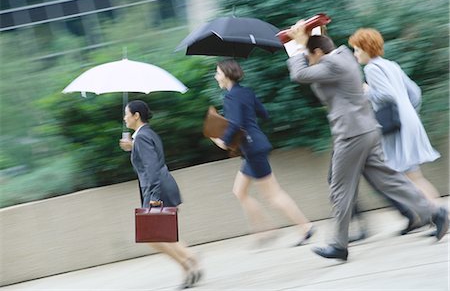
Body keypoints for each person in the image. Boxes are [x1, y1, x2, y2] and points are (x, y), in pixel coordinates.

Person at [285, 21, 448, 261]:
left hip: (351, 134)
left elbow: (299, 74)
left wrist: (299, 46)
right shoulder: (341, 58)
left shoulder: (333, 64)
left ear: (318, 53)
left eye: (311, 55)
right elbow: (316, 66)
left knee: (340, 188)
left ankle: (338, 244)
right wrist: (308, 37)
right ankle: (436, 213)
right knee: (390, 180)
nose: (309, 60)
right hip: (366, 130)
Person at [210, 59, 314, 247]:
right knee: (239, 191)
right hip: (255, 145)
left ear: (226, 75)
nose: (215, 76)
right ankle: (266, 229)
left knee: (273, 194)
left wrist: (223, 141)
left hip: (252, 148)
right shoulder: (246, 92)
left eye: (217, 72)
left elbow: (236, 124)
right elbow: (264, 114)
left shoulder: (231, 97)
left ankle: (305, 226)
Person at [348, 28, 443, 235]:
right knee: (414, 176)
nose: (355, 54)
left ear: (366, 48)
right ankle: (438, 217)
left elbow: (386, 95)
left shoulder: (372, 69)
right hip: (409, 121)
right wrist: (409, 112)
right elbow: (415, 92)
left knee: (409, 176)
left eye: (356, 50)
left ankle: (439, 216)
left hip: (397, 126)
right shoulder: (391, 64)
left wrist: (366, 92)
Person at [119, 100, 202, 289]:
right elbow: (151, 159)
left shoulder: (142, 137)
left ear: (136, 115)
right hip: (161, 186)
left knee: (154, 236)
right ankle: (188, 267)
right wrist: (132, 147)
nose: (124, 117)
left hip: (158, 189)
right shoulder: (146, 134)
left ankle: (190, 260)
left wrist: (154, 198)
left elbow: (152, 168)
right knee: (161, 235)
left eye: (126, 114)